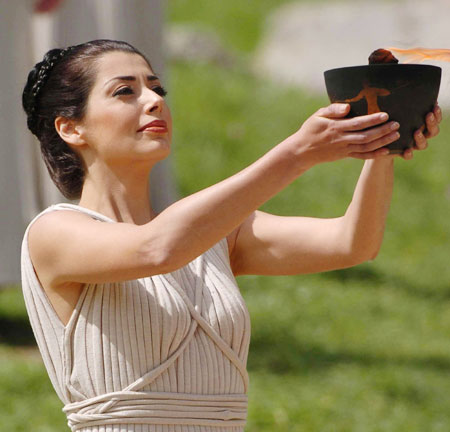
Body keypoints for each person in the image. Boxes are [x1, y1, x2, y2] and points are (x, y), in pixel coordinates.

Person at [20, 39, 441, 431]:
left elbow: (353, 243)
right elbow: (157, 249)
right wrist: (297, 153)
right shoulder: (54, 233)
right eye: (125, 91)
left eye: (157, 88)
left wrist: (384, 141)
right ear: (71, 128)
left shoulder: (217, 231)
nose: (154, 101)